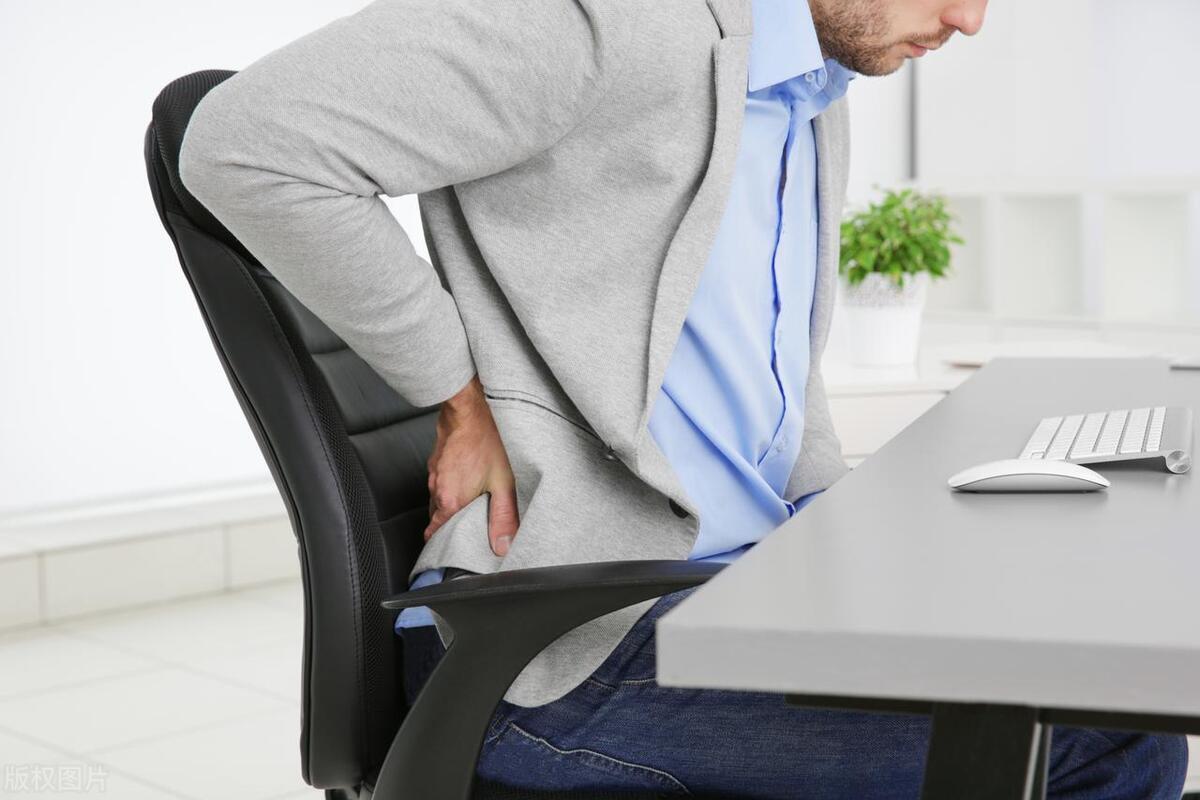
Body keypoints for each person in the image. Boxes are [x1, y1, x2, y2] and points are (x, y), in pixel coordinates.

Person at [178, 0, 1189, 795]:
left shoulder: (806, 92)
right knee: (1102, 737)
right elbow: (244, 142)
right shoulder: (608, 21)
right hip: (562, 661)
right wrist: (456, 393)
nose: (969, 19)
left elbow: (770, 382)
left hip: (728, 592)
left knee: (1080, 665)